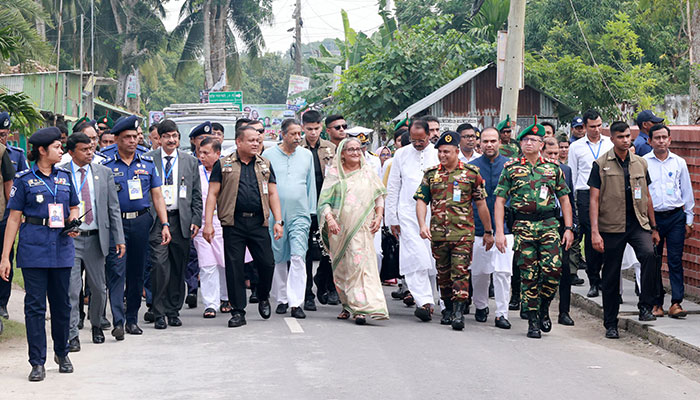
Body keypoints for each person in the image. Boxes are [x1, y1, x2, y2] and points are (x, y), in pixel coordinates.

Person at [0, 127, 81, 381]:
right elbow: (13, 218)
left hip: (61, 247)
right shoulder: (24, 180)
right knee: (34, 307)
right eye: (57, 146)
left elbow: (75, 206)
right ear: (42, 151)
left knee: (62, 304)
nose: (61, 150)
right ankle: (37, 361)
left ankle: (62, 352)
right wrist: (5, 257)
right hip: (34, 247)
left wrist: (73, 221)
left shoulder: (65, 177)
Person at [494, 118, 574, 339]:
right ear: (521, 144)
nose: (529, 143)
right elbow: (500, 200)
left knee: (552, 271)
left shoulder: (552, 169)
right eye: (526, 140)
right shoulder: (511, 168)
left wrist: (568, 228)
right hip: (523, 226)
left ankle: (544, 306)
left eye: (534, 140)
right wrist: (500, 232)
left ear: (542, 145)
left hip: (549, 225)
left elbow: (565, 199)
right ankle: (533, 320)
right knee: (529, 275)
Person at [203, 125, 284, 328]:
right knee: (234, 267)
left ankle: (264, 296)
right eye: (251, 140)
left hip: (258, 222)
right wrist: (208, 224)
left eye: (258, 140)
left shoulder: (265, 164)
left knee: (267, 263)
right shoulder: (223, 165)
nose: (256, 143)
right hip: (233, 222)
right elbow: (212, 194)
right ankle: (238, 311)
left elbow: (273, 193)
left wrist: (278, 221)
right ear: (239, 142)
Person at [101, 115, 171, 339]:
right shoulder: (105, 163)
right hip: (116, 223)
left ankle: (132, 319)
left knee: (137, 272)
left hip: (141, 221)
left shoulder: (147, 162)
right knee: (116, 270)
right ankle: (118, 321)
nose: (133, 141)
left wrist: (165, 223)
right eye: (127, 137)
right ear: (117, 139)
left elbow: (157, 195)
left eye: (135, 136)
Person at [588, 121, 659, 339]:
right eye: (621, 137)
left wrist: (653, 227)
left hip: (637, 223)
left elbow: (646, 197)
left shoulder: (640, 163)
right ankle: (611, 322)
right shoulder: (601, 164)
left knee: (649, 255)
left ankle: (645, 305)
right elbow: (594, 199)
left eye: (628, 136)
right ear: (612, 139)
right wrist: (594, 232)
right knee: (610, 274)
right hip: (612, 225)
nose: (626, 140)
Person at [415, 131, 492, 330]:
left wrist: (488, 230)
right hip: (438, 234)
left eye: (447, 152)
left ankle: (459, 312)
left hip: (463, 234)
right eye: (440, 152)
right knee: (443, 274)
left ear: (456, 151)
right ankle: (447, 308)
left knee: (460, 272)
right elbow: (422, 201)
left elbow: (481, 204)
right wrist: (422, 224)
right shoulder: (431, 175)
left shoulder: (471, 173)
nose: (443, 155)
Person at [61, 132, 125, 348]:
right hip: (71, 240)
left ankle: (97, 324)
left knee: (98, 287)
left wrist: (119, 238)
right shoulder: (61, 173)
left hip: (96, 238)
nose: (90, 153)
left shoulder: (103, 173)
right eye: (84, 150)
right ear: (71, 152)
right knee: (72, 288)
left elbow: (113, 208)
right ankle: (72, 334)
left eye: (91, 149)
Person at [318, 138, 389, 324]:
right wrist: (330, 219)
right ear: (342, 153)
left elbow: (379, 195)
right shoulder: (334, 173)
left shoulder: (368, 172)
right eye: (351, 150)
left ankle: (361, 308)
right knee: (342, 267)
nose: (356, 153)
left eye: (358, 149)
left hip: (362, 227)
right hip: (339, 229)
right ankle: (346, 305)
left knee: (360, 265)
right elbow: (324, 201)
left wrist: (379, 216)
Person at [146, 120, 202, 329]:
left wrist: (196, 219)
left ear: (179, 138)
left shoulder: (190, 161)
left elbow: (196, 194)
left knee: (179, 266)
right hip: (158, 221)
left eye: (175, 136)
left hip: (182, 220)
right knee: (160, 266)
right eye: (166, 136)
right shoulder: (148, 160)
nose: (171, 140)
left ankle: (173, 310)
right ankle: (158, 311)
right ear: (159, 139)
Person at [386, 119, 440, 321]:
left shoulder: (438, 153)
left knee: (433, 258)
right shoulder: (401, 154)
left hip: (435, 213)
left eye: (421, 139)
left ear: (429, 135)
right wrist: (392, 217)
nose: (417, 143)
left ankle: (439, 300)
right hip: (407, 213)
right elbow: (393, 186)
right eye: (414, 139)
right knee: (415, 257)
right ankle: (424, 302)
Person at [263, 119, 316, 319]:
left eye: (298, 134)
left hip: (300, 213)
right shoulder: (268, 155)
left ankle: (296, 302)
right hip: (275, 214)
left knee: (298, 256)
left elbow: (310, 184)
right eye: (293, 134)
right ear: (283, 134)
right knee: (279, 256)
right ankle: (282, 298)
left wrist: (312, 210)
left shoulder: (306, 155)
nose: (297, 138)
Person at [643, 124, 694, 318]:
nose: (661, 141)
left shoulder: (678, 162)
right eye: (657, 138)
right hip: (652, 218)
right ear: (650, 141)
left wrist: (689, 219)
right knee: (654, 261)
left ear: (670, 140)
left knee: (674, 260)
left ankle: (676, 302)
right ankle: (657, 302)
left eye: (665, 137)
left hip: (675, 217)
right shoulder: (643, 162)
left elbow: (687, 191)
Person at [469, 127, 514, 329]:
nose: (489, 145)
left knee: (503, 272)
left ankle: (502, 313)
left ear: (499, 143)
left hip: (505, 229)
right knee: (479, 272)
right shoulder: (471, 168)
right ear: (480, 143)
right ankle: (480, 305)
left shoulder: (510, 166)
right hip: (478, 229)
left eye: (493, 141)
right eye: (485, 141)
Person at [567, 109, 613, 298]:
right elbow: (573, 174)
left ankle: (607, 279)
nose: (596, 129)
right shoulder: (576, 147)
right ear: (585, 127)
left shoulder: (610, 144)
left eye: (599, 125)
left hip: (608, 193)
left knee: (609, 235)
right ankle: (593, 280)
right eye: (592, 126)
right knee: (590, 236)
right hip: (585, 194)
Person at [300, 110, 338, 311]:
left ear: (321, 127)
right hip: (305, 206)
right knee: (304, 251)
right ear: (303, 127)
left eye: (316, 129)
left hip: (326, 206)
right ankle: (307, 293)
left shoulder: (331, 149)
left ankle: (326, 283)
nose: (313, 133)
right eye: (309, 129)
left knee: (329, 249)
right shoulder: (297, 149)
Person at [542, 137, 577, 326]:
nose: (554, 158)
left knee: (563, 270)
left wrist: (572, 227)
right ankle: (541, 310)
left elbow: (570, 200)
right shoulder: (535, 172)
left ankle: (564, 311)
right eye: (550, 154)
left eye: (557, 154)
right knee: (543, 272)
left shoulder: (565, 171)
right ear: (542, 152)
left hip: (562, 225)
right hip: (541, 224)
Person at [193, 137, 229, 318]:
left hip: (224, 223)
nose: (202, 156)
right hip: (202, 225)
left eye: (206, 153)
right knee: (207, 265)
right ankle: (210, 304)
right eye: (200, 152)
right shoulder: (195, 172)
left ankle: (226, 297)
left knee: (225, 263)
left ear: (218, 154)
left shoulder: (227, 171)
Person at [0, 116, 17, 322]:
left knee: (4, 259)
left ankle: (2, 302)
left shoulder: (2, 152)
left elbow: (9, 186)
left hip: (1, 218)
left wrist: (12, 217)